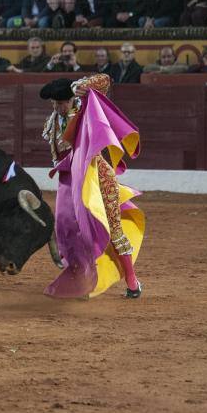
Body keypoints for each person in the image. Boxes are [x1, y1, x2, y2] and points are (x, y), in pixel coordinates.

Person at [40, 75, 144, 300]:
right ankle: (82, 281)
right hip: (70, 182)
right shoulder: (53, 120)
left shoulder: (84, 110)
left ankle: (132, 280)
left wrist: (81, 86)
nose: (58, 107)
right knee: (67, 228)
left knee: (114, 229)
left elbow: (105, 80)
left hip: (96, 178)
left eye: (62, 103)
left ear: (71, 100)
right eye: (54, 103)